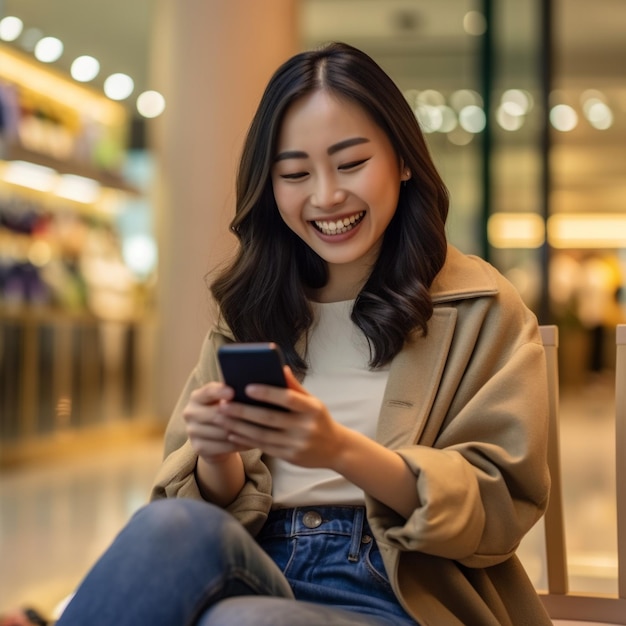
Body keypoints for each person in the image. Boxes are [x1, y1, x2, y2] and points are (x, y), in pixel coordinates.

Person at [56, 42, 552, 626]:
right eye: (295, 173)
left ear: (405, 159)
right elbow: (194, 513)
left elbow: (496, 510)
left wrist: (338, 449)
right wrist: (219, 456)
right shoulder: (251, 310)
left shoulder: (481, 307)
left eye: (350, 164)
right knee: (170, 526)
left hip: (405, 593)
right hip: (260, 565)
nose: (325, 196)